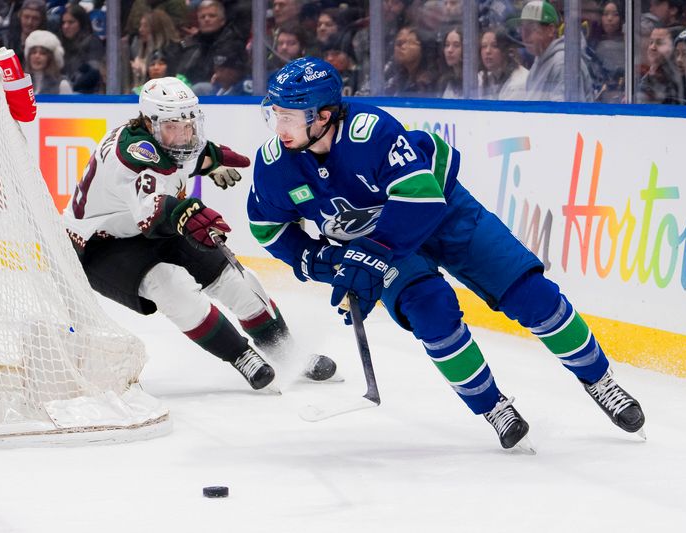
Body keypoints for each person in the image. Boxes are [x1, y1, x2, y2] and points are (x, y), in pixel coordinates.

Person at [247, 57, 646, 451]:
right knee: (431, 312)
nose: (279, 127)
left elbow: (419, 198)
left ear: (324, 115)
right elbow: (267, 227)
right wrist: (322, 262)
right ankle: (495, 409)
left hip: (440, 212)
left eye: (289, 116)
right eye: (275, 114)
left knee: (532, 294)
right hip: (375, 241)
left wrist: (369, 256)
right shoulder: (273, 167)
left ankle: (600, 380)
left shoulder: (370, 132)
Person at [62, 77, 337, 392]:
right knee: (170, 286)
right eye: (172, 127)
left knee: (236, 280)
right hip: (100, 244)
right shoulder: (134, 157)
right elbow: (152, 211)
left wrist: (214, 160)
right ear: (149, 124)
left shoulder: (167, 138)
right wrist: (184, 213)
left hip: (154, 226)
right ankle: (241, 356)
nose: (182, 135)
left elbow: (189, 154)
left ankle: (289, 355)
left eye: (188, 125)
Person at [514, 0, 594, 102]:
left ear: (550, 30)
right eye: (522, 28)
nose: (524, 35)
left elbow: (565, 114)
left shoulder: (563, 64)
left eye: (532, 28)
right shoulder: (539, 61)